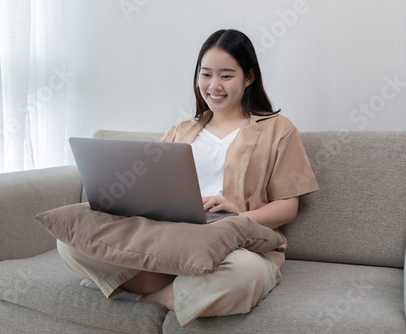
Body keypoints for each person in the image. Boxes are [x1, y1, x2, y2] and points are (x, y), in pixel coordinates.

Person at [57, 29, 319, 327]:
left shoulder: (278, 129)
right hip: (170, 241)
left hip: (235, 246)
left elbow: (288, 207)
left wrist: (238, 215)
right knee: (70, 241)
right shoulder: (180, 131)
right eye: (206, 74)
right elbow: (153, 189)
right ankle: (182, 292)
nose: (214, 86)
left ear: (249, 77)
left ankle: (145, 298)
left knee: (246, 273)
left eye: (226, 76)